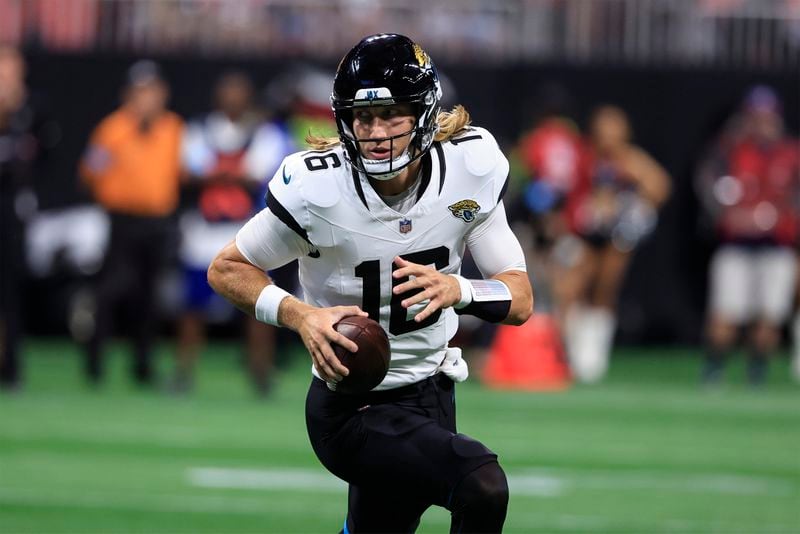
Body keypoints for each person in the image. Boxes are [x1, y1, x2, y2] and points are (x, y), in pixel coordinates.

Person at [208, 34, 532, 532]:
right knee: (481, 485)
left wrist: (459, 290)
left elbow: (519, 298)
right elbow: (227, 268)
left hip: (432, 390)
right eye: (363, 118)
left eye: (391, 115)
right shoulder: (317, 187)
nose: (376, 132)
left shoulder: (471, 167)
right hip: (350, 406)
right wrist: (302, 316)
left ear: (424, 113)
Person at [176, 71, 294, 394]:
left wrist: (216, 172)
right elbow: (189, 172)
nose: (233, 98)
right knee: (193, 306)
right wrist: (233, 173)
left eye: (239, 92)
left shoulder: (265, 133)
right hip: (205, 230)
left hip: (247, 231)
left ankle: (260, 372)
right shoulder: (199, 129)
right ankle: (184, 371)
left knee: (259, 304)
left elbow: (259, 175)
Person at [80, 60, 184, 386]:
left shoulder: (173, 129)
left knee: (149, 296)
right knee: (110, 292)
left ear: (163, 94)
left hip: (157, 222)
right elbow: (89, 173)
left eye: (152, 92)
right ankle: (95, 361)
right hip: (122, 222)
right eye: (140, 92)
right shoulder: (113, 130)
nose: (147, 99)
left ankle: (142, 365)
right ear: (128, 95)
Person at [555, 105, 670, 383]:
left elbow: (660, 186)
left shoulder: (630, 160)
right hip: (585, 232)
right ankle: (570, 352)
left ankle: (593, 356)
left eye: (614, 129)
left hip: (616, 236)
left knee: (605, 288)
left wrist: (633, 211)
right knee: (572, 288)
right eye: (603, 129)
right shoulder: (587, 157)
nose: (608, 135)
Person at [697, 85, 799, 386]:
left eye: (767, 116)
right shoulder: (728, 149)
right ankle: (714, 368)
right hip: (736, 244)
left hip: (777, 244)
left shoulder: (791, 153)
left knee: (769, 314)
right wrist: (730, 216)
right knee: (725, 312)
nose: (762, 123)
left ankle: (757, 372)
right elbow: (709, 187)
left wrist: (780, 217)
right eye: (756, 116)